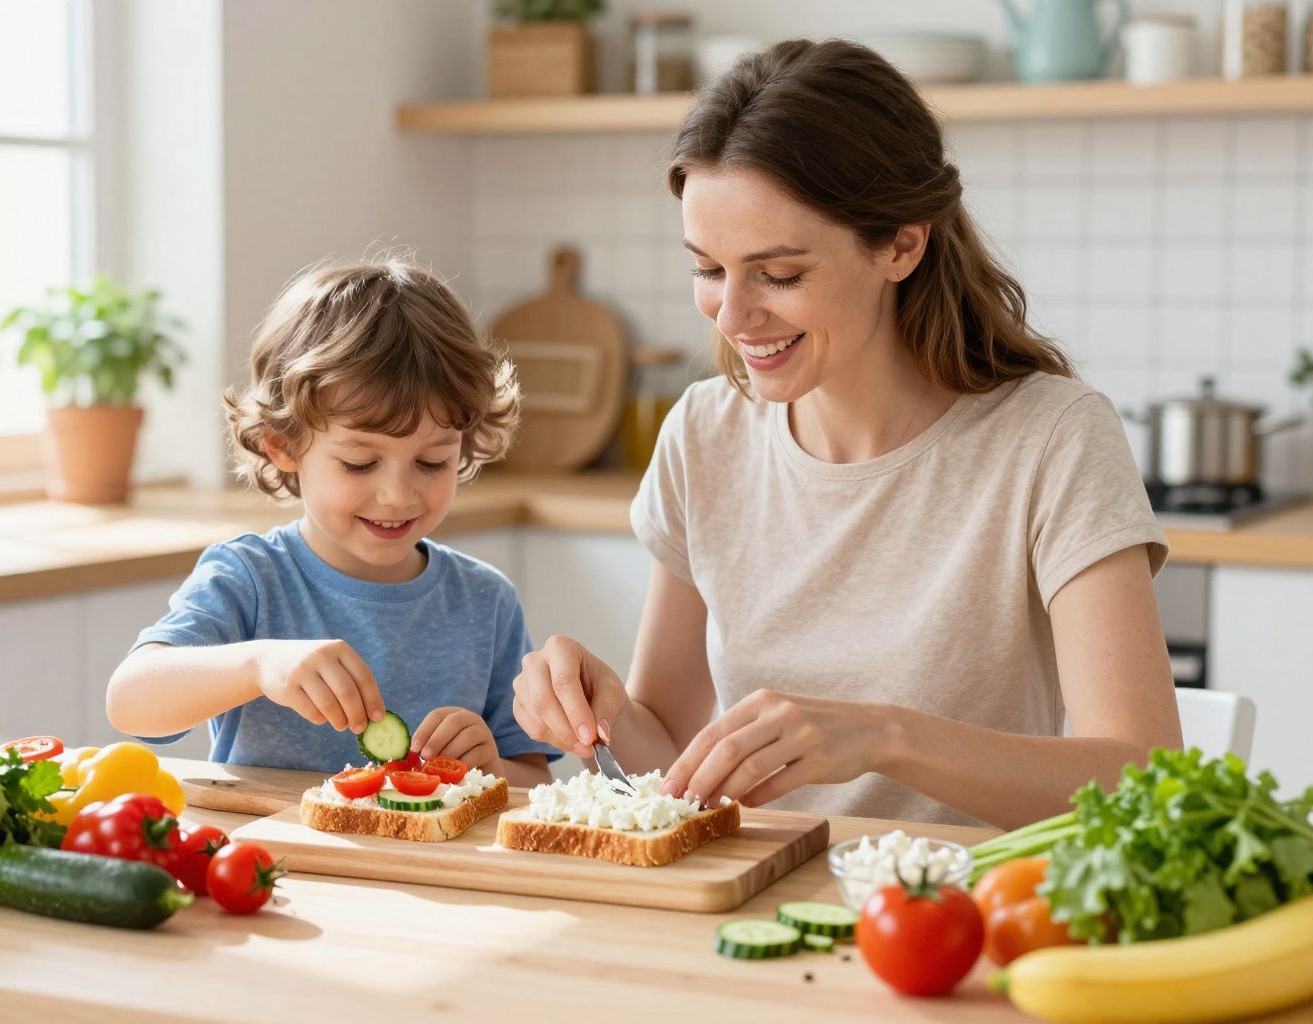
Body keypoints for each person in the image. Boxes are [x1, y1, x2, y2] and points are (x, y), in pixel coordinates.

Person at [510, 38, 1182, 829]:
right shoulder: (704, 433)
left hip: (959, 919)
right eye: (707, 269)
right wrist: (604, 710)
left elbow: (1143, 776)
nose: (732, 316)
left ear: (902, 243)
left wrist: (885, 735)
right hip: (752, 903)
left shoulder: (1051, 439)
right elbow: (673, 757)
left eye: (779, 275)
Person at [108, 257, 556, 786]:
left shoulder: (485, 600)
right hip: (273, 864)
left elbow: (533, 777)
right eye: (360, 463)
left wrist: (490, 769)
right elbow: (130, 699)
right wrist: (258, 666)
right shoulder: (250, 578)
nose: (398, 494)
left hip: (425, 866)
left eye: (432, 462)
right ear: (283, 446)